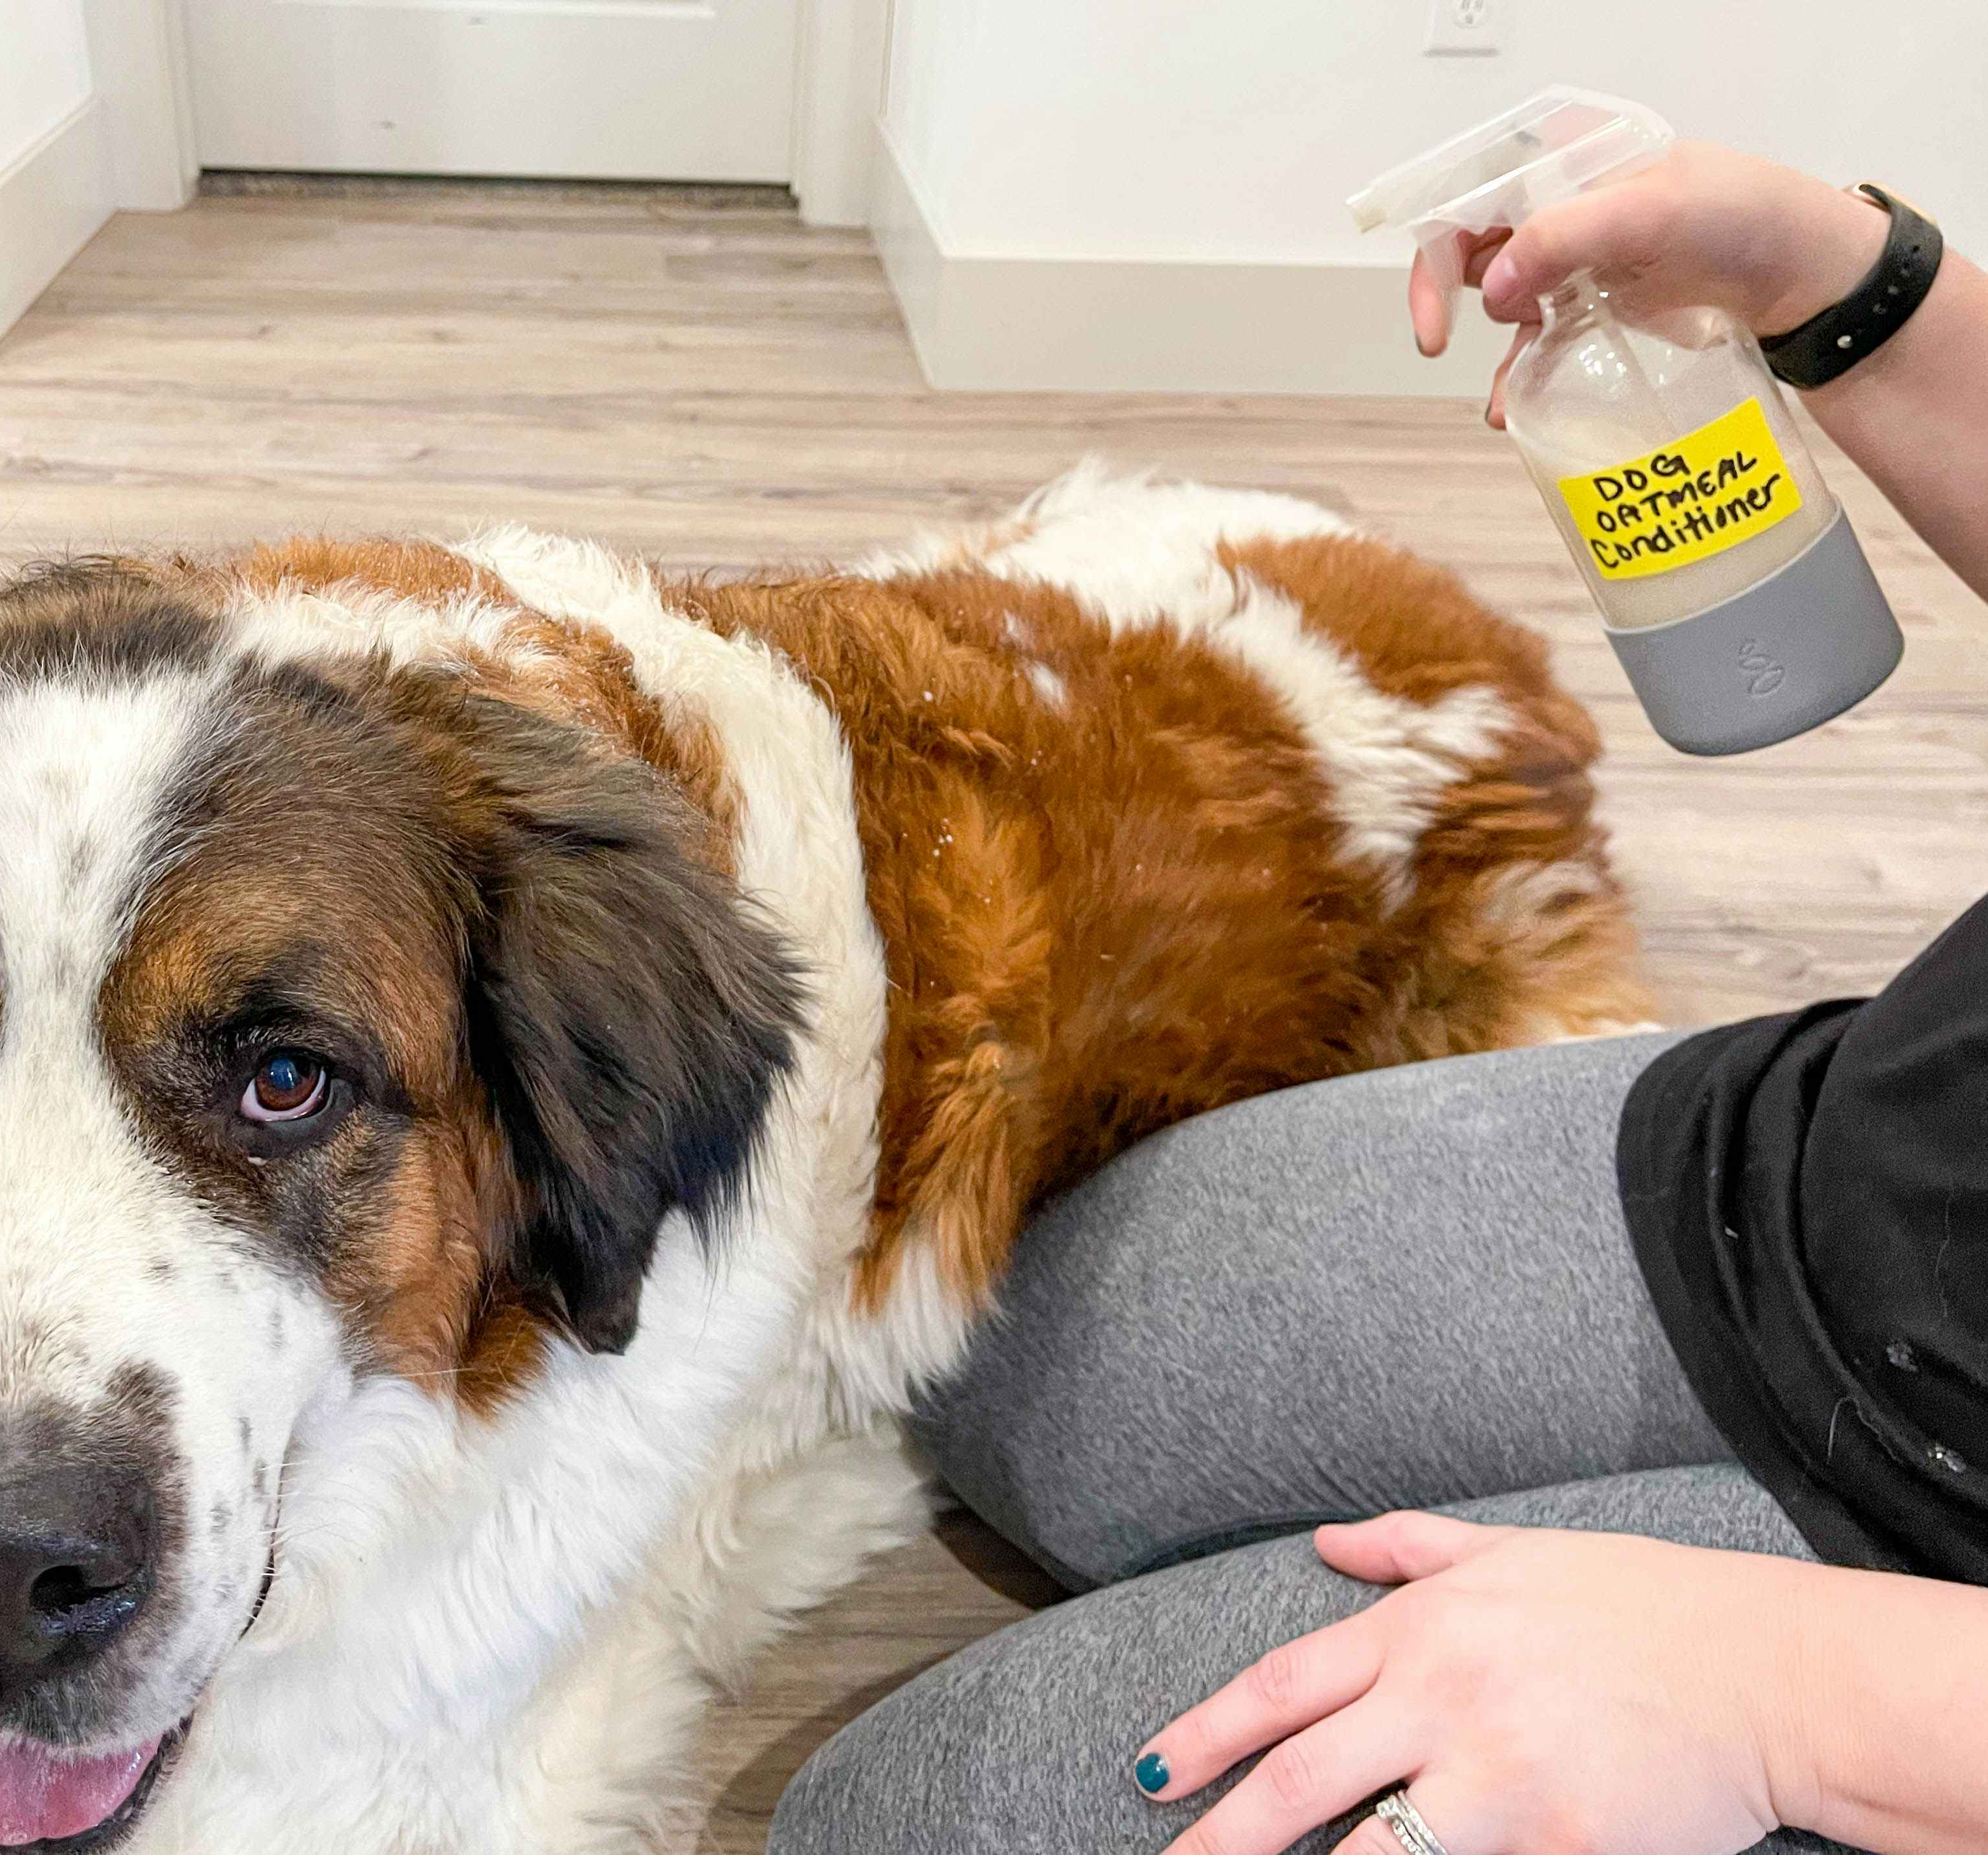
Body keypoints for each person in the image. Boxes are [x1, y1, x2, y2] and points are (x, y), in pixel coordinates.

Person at [766, 143, 1988, 1855]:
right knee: (1012, 1360)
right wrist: (1832, 275)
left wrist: (1784, 1701)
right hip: (1864, 1163)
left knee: (902, 1831)